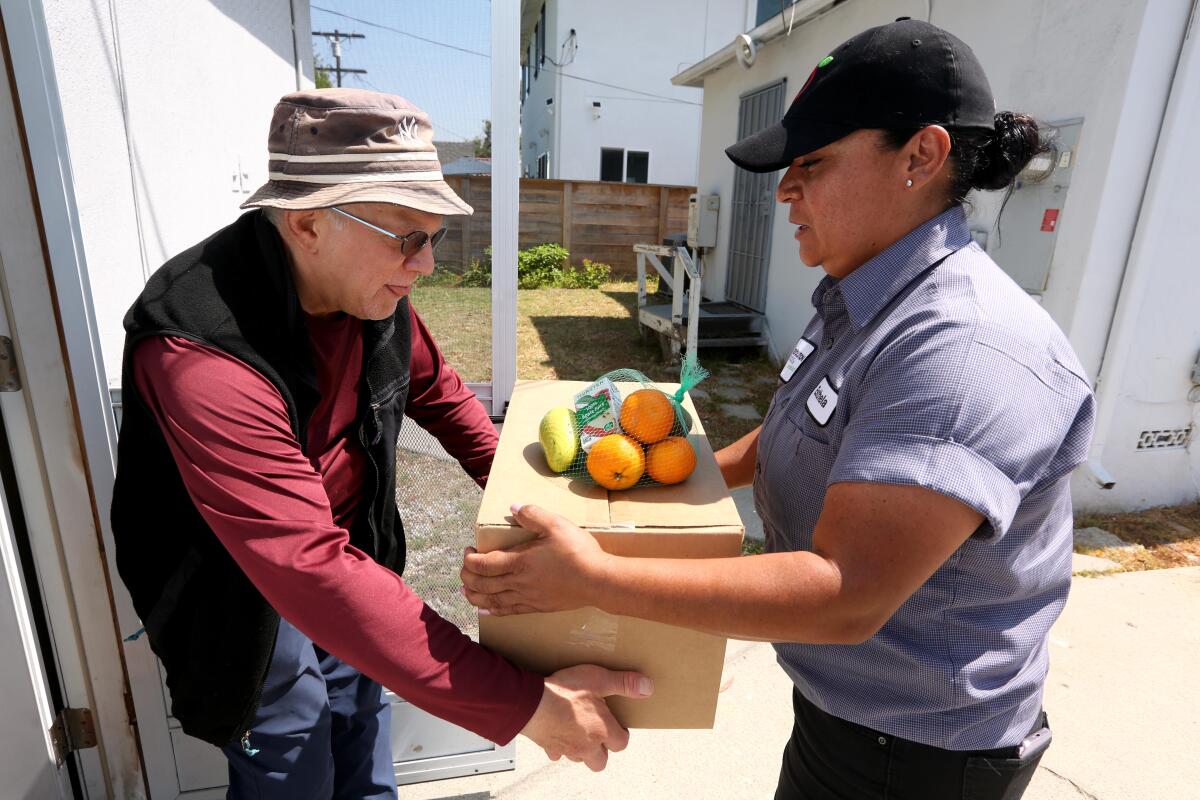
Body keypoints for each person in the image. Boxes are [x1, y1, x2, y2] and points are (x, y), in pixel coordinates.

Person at [461, 18, 1095, 800]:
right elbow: (804, 425)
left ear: (922, 156)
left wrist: (596, 576)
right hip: (850, 713)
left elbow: (844, 592)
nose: (785, 189)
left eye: (814, 163)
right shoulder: (862, 297)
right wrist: (673, 477)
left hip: (917, 757)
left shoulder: (960, 350)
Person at [111, 88, 650, 800]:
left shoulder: (370, 292)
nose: (425, 265)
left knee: (362, 714)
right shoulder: (201, 350)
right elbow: (308, 570)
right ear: (306, 223)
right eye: (408, 237)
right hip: (237, 587)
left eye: (435, 237)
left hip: (346, 553)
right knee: (290, 747)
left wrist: (540, 512)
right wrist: (527, 707)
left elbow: (445, 400)